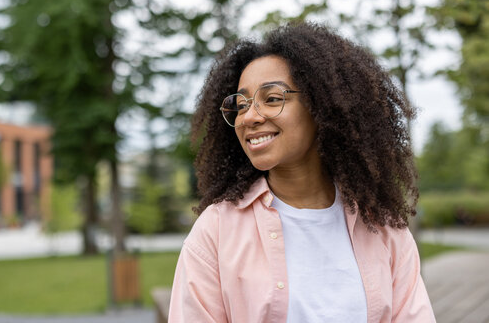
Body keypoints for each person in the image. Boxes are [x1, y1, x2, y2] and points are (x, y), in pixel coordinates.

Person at [168, 22, 435, 323]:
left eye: (272, 98)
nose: (250, 117)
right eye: (241, 105)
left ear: (321, 106)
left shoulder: (385, 228)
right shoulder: (216, 231)